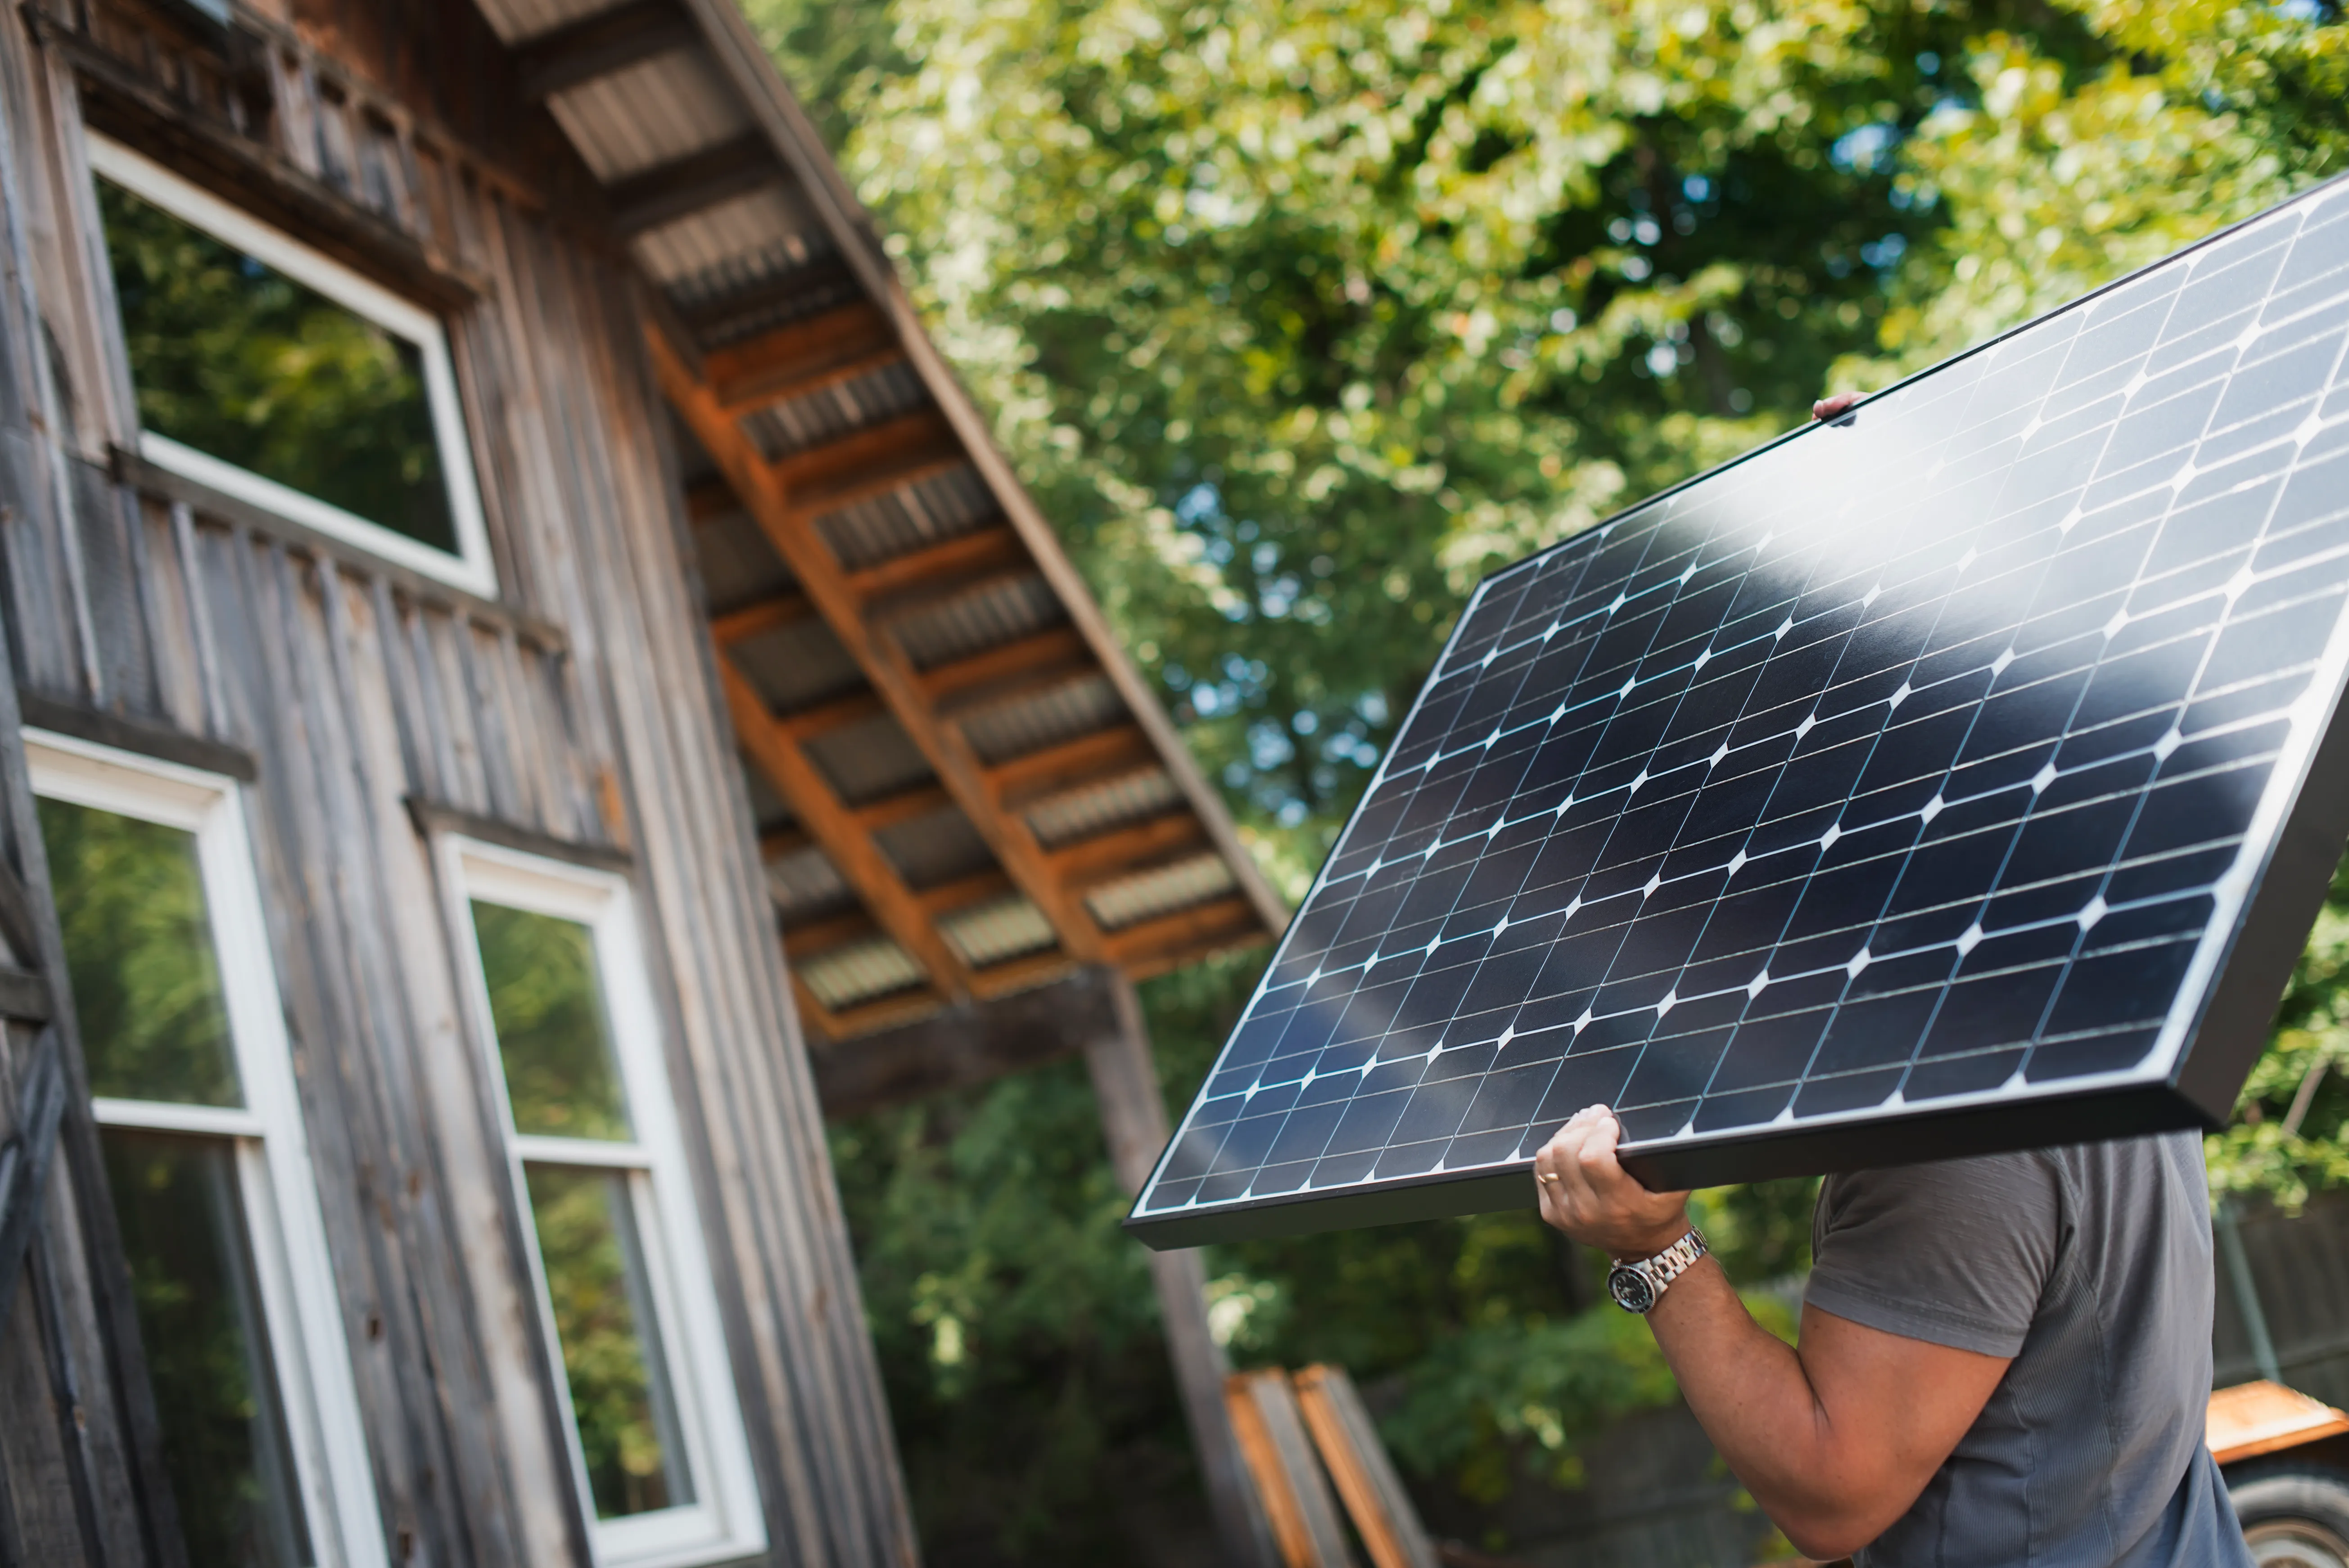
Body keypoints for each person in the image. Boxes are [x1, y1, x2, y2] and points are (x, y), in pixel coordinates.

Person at [1527, 391, 2257, 1568]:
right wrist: (1892, 492)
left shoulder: (1953, 1125)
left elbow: (1835, 1490)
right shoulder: (2103, 1001)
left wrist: (1653, 1252)